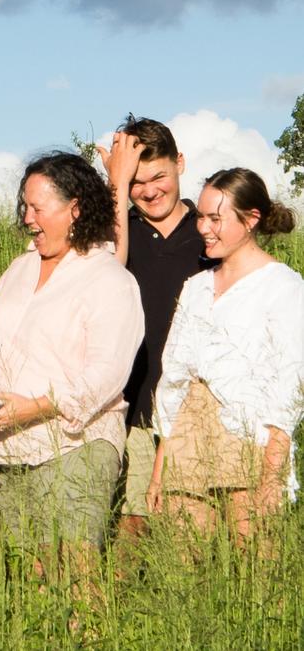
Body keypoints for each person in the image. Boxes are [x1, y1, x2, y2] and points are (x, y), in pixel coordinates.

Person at [0, 152, 144, 580]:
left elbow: (106, 374)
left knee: (74, 568)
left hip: (78, 440)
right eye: (25, 208)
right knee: (32, 575)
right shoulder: (18, 270)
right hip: (11, 443)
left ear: (74, 208)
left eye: (38, 208)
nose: (28, 219)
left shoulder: (109, 278)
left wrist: (39, 405)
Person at [148, 168, 304, 545]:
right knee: (183, 566)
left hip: (247, 436)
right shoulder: (196, 287)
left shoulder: (283, 286)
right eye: (201, 216)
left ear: (250, 220)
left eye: (215, 218)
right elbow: (173, 380)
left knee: (254, 564)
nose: (203, 227)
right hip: (187, 437)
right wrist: (159, 471)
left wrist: (272, 474)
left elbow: (290, 384)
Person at [97, 116, 214, 542]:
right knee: (133, 523)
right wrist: (115, 182)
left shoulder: (209, 233)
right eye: (136, 182)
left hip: (197, 406)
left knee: (193, 531)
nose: (149, 191)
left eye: (158, 176)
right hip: (136, 401)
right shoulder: (119, 231)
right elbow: (104, 269)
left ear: (180, 162)